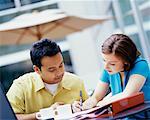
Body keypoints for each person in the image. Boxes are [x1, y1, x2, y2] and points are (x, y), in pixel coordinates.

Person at [6, 39, 88, 120]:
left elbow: (90, 110)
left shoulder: (77, 82)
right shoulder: (21, 86)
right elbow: (7, 117)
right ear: (37, 70)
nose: (59, 72)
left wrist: (81, 108)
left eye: (61, 65)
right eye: (52, 70)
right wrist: (46, 114)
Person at [74, 34, 150, 118]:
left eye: (112, 63)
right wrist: (83, 106)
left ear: (126, 61)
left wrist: (101, 103)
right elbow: (96, 96)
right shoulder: (108, 69)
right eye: (104, 60)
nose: (106, 66)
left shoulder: (140, 65)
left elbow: (127, 95)